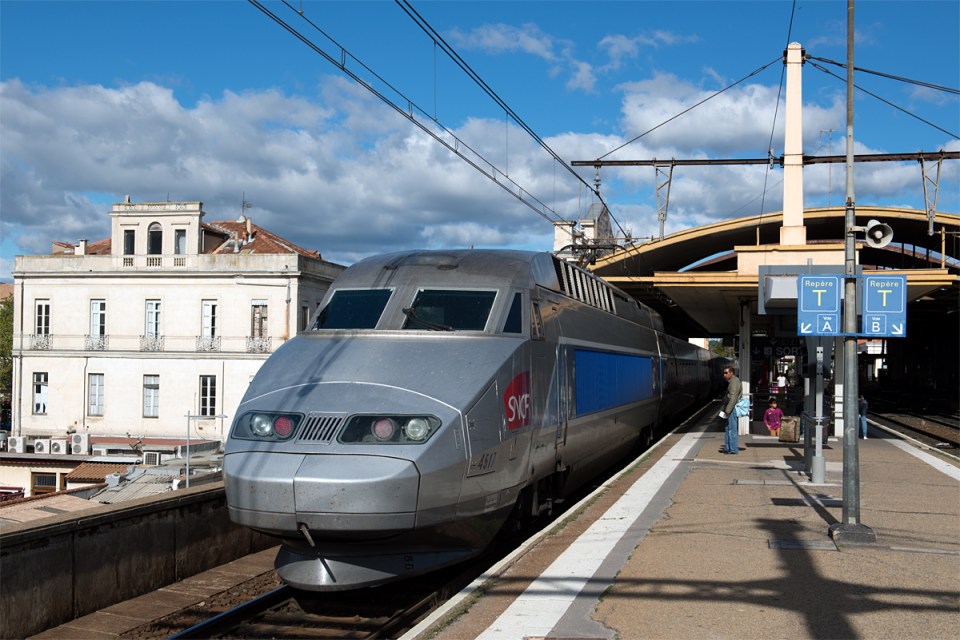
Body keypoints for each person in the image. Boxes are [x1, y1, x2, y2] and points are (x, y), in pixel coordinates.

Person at [719, 366, 742, 454]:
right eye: (724, 373)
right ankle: (728, 448)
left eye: (726, 373)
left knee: (732, 429)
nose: (724, 375)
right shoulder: (731, 381)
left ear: (731, 373)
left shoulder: (734, 382)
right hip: (729, 407)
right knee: (728, 428)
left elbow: (733, 398)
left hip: (731, 408)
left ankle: (733, 449)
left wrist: (727, 411)